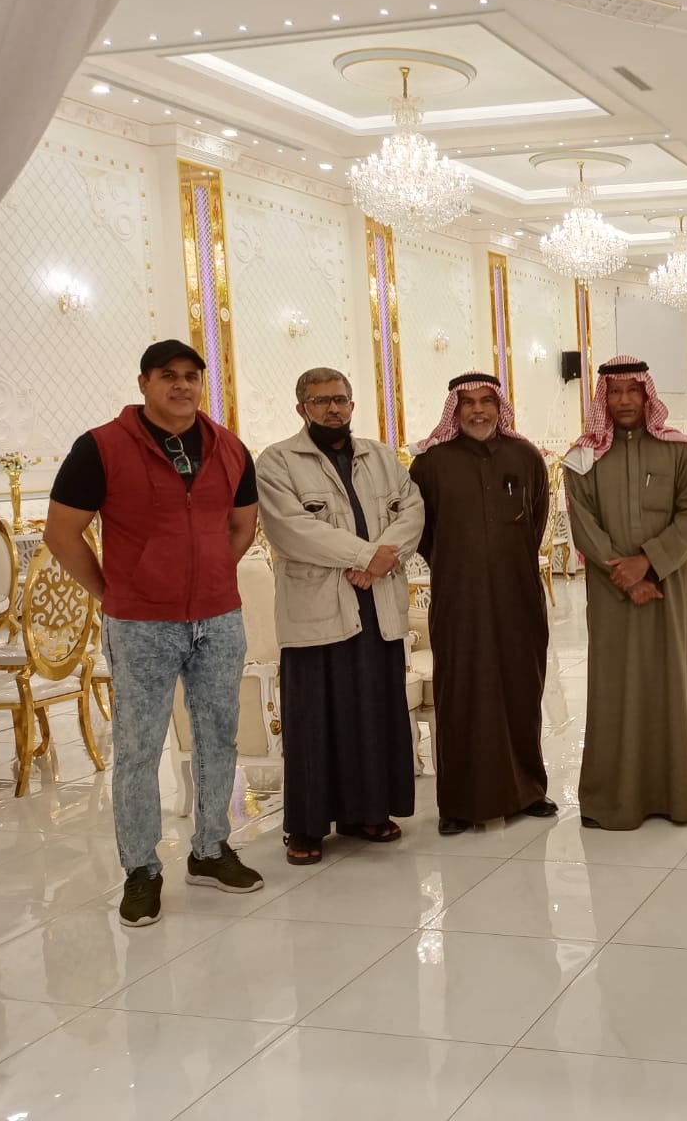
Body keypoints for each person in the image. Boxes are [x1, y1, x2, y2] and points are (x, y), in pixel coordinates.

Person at [45, 339, 264, 927]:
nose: (182, 386)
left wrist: (212, 576)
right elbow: (62, 534)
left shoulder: (229, 447)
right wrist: (116, 593)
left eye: (192, 376)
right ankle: (141, 869)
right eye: (168, 375)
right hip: (141, 624)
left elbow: (243, 525)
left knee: (218, 736)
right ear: (144, 383)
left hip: (219, 617)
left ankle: (211, 849)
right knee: (139, 748)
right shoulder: (100, 448)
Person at [255, 368, 425, 864]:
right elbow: (291, 530)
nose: (333, 409)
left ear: (352, 405)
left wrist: (382, 558)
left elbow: (412, 510)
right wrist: (365, 556)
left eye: (341, 400)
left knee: (373, 710)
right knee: (314, 718)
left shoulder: (381, 457)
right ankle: (307, 827)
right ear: (301, 408)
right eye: (321, 401)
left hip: (377, 607)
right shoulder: (278, 461)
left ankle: (367, 813)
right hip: (316, 611)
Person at [564, 356, 687, 830]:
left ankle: (674, 793)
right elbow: (583, 524)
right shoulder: (582, 458)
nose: (624, 400)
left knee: (670, 681)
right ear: (603, 398)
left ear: (648, 395)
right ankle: (612, 798)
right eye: (615, 391)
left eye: (633, 390)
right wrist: (624, 575)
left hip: (668, 588)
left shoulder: (678, 451)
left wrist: (648, 562)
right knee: (614, 689)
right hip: (612, 595)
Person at [409, 372, 554, 835]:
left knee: (521, 689)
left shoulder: (525, 457)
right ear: (454, 410)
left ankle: (528, 791)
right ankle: (458, 805)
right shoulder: (431, 464)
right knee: (462, 694)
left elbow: (536, 520)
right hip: (459, 599)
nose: (477, 410)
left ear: (499, 407)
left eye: (486, 401)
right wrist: (461, 562)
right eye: (467, 402)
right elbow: (422, 532)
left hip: (518, 597)